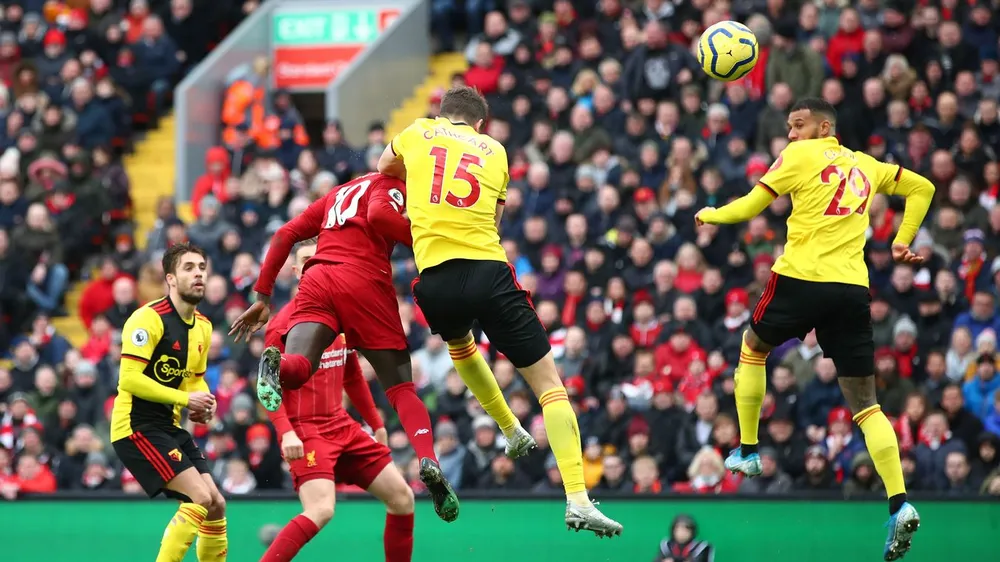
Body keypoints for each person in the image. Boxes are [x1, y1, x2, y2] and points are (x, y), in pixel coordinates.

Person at [694, 98, 934, 561]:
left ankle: (746, 449)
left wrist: (711, 214)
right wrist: (901, 239)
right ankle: (899, 502)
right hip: (851, 289)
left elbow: (750, 206)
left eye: (798, 125)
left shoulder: (801, 156)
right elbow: (922, 187)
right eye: (788, 127)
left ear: (826, 127)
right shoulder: (867, 165)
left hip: (800, 280)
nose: (791, 135)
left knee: (752, 347)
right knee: (866, 406)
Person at [377, 86, 622, 537]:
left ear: (441, 113)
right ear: (480, 124)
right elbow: (494, 220)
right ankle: (578, 498)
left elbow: (384, 168)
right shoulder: (496, 151)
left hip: (436, 278)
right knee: (550, 386)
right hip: (487, 269)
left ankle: (509, 428)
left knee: (458, 343)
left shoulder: (418, 131)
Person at [228, 172, 459, 523]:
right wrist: (425, 241)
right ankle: (428, 457)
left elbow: (283, 234)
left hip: (319, 279)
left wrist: (262, 295)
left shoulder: (339, 192)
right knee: (401, 388)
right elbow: (382, 216)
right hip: (364, 280)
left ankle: (275, 363)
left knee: (299, 366)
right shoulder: (394, 184)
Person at [259, 238, 415, 562]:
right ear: (294, 269)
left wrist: (374, 422)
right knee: (321, 509)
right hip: (306, 431)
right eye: (305, 259)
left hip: (341, 425)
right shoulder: (280, 326)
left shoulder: (338, 313)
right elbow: (267, 389)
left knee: (403, 498)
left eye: (319, 259)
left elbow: (351, 373)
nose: (311, 264)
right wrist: (285, 431)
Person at [109, 243, 228, 562]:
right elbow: (129, 379)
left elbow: (194, 379)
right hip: (135, 427)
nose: (198, 273)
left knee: (216, 504)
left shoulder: (203, 326)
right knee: (200, 497)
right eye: (189, 268)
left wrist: (203, 402)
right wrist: (186, 398)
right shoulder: (147, 318)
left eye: (202, 267)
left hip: (167, 426)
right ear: (171, 279)